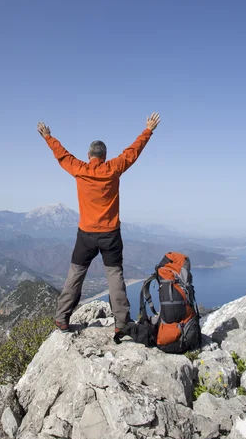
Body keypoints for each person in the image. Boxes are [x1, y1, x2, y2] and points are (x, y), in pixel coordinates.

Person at [37, 112, 161, 334]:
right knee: (115, 277)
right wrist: (148, 130)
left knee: (75, 274)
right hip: (110, 235)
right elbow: (133, 152)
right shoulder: (113, 169)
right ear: (105, 155)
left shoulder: (80, 169)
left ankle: (62, 318)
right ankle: (121, 322)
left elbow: (62, 155)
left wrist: (48, 137)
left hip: (85, 234)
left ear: (89, 155)